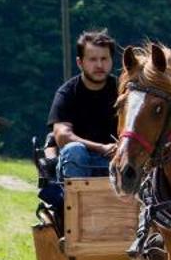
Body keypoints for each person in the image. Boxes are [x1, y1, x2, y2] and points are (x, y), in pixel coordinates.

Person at [48, 29, 119, 180]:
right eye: (93, 59)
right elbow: (62, 136)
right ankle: (76, 201)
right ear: (80, 62)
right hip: (78, 163)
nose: (99, 65)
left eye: (104, 58)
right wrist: (101, 148)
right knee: (74, 150)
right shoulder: (67, 93)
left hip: (117, 162)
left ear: (111, 60)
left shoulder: (124, 91)